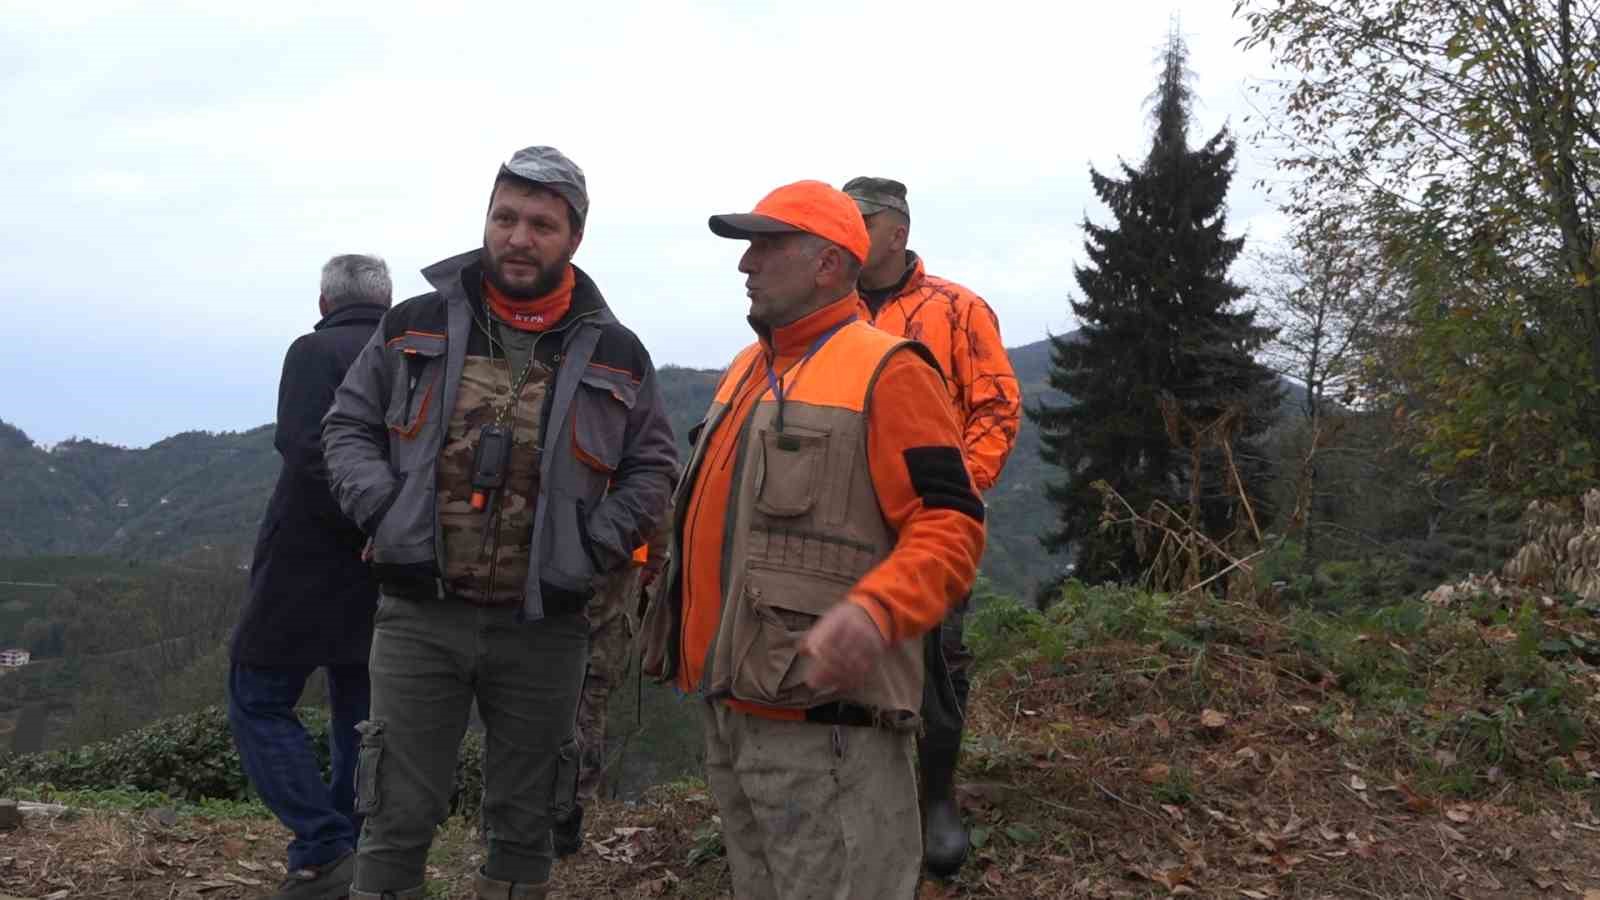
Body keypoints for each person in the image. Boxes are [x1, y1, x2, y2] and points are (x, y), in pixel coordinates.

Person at [322, 146, 678, 900]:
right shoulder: (412, 324)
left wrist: (592, 546)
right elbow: (348, 426)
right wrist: (384, 511)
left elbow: (654, 466)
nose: (519, 238)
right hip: (419, 616)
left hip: (546, 625)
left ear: (575, 237)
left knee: (526, 825)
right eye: (505, 218)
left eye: (541, 225)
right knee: (393, 814)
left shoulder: (616, 350)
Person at [639, 180, 986, 899]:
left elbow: (952, 524)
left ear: (829, 264)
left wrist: (877, 612)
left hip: (830, 732)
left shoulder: (890, 370)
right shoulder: (747, 368)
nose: (746, 263)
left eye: (767, 246)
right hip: (732, 709)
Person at [843, 176, 1022, 877]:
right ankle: (854, 800)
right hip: (837, 517)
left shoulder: (957, 308)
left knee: (938, 662)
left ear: (897, 232)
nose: (849, 233)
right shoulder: (827, 310)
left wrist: (952, 494)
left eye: (862, 222)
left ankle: (935, 798)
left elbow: (997, 407)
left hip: (929, 523)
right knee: (843, 649)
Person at [227, 253, 392, 900]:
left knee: (257, 696)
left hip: (303, 561)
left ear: (325, 303)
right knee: (360, 712)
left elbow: (303, 448)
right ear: (387, 301)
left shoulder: (312, 351)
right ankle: (352, 846)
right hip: (386, 559)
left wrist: (355, 516)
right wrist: (387, 526)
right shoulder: (411, 353)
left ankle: (323, 847)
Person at [554, 520, 669, 857]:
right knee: (585, 718)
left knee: (584, 719)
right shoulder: (635, 510)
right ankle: (570, 811)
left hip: (593, 629)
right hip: (591, 625)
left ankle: (572, 812)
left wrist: (646, 564)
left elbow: (653, 544)